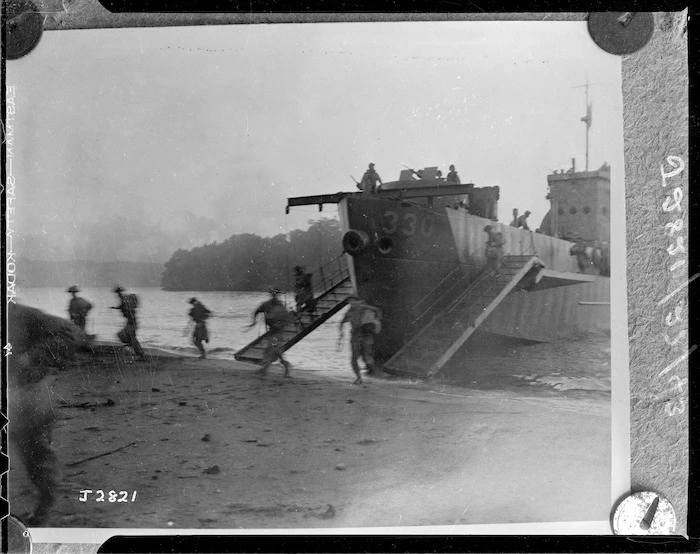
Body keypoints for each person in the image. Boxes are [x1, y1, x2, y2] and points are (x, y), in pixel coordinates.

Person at [8, 303, 82, 525]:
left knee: (36, 455)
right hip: (16, 396)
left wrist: (31, 358)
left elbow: (70, 332)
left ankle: (44, 510)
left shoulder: (20, 313)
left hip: (26, 396)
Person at [338, 295, 382, 385]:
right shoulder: (349, 312)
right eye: (350, 301)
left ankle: (377, 376)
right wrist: (341, 332)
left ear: (358, 301)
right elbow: (342, 321)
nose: (352, 303)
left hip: (366, 335)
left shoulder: (364, 308)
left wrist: (377, 321)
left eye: (354, 301)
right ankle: (359, 377)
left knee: (367, 358)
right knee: (354, 358)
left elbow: (377, 310)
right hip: (355, 336)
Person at [250, 288, 293, 377]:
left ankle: (265, 370)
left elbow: (286, 319)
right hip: (273, 331)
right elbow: (257, 310)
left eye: (275, 294)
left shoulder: (280, 306)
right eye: (273, 294)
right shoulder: (268, 304)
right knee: (275, 351)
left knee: (272, 349)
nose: (274, 296)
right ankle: (285, 366)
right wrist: (254, 321)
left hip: (278, 332)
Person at [111, 285, 146, 361]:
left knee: (129, 337)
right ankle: (137, 352)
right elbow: (123, 307)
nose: (117, 294)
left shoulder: (124, 299)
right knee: (125, 336)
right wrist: (117, 308)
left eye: (118, 293)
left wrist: (122, 309)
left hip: (131, 322)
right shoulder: (124, 299)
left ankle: (139, 354)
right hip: (131, 322)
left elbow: (127, 309)